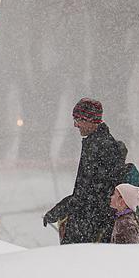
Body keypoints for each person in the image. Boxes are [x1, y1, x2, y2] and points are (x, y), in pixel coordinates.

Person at [43, 98, 127, 244]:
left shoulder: (100, 147)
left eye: (78, 119)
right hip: (93, 222)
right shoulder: (97, 143)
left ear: (90, 120)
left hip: (91, 226)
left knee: (80, 263)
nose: (75, 125)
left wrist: (62, 209)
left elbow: (90, 193)